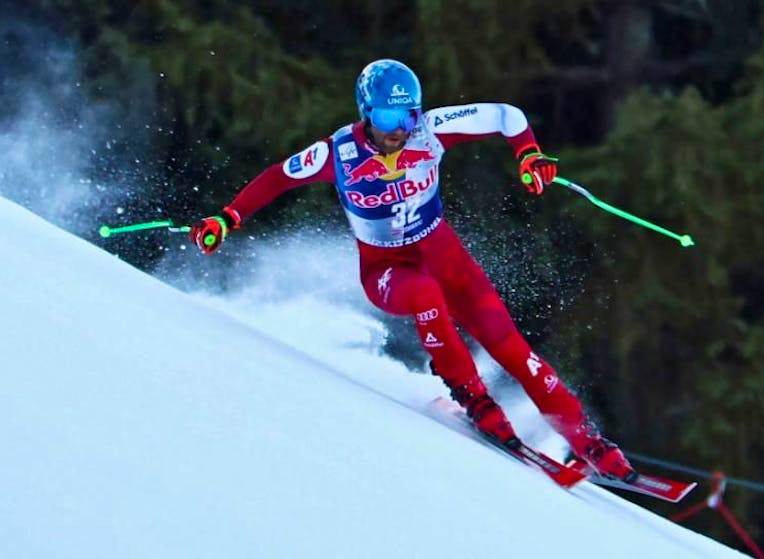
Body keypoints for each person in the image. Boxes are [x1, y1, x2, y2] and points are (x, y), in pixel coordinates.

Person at [189, 59, 636, 481]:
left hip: (444, 254)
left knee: (511, 347)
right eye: (387, 118)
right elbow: (276, 177)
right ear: (367, 114)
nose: (400, 129)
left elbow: (507, 115)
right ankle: (472, 396)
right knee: (424, 294)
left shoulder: (430, 130)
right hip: (387, 270)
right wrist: (227, 218)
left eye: (408, 116)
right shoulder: (338, 153)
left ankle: (587, 441)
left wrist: (529, 155)